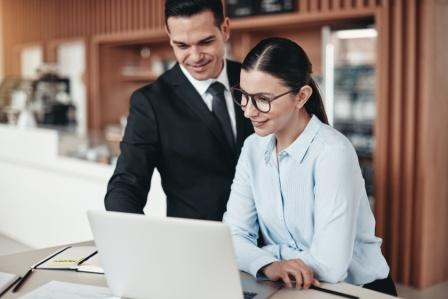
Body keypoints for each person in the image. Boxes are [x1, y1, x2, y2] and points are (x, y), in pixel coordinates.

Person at [223, 37, 397, 296]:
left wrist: (267, 255)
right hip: (291, 286)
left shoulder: (332, 153)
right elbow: (230, 239)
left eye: (262, 99)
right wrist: (271, 265)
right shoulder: (252, 149)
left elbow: (330, 265)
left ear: (301, 96)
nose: (248, 111)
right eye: (244, 96)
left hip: (357, 290)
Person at [105, 0, 253, 220]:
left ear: (225, 29)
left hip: (268, 244)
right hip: (196, 243)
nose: (195, 56)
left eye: (205, 42)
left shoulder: (254, 80)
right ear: (169, 37)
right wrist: (128, 236)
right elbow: (127, 183)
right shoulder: (150, 102)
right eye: (182, 46)